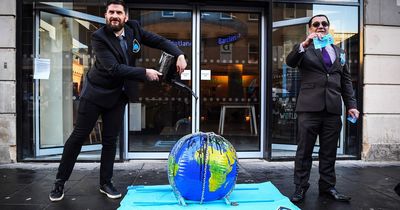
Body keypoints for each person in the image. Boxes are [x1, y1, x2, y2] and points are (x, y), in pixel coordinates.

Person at [49, 0, 187, 202]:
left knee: (110, 141)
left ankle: (106, 182)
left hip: (118, 95)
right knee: (78, 137)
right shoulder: (99, 37)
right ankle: (59, 182)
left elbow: (159, 41)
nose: (114, 15)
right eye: (111, 12)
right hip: (95, 94)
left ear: (126, 17)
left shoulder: (133, 29)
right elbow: (113, 69)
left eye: (118, 12)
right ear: (106, 15)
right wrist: (144, 73)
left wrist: (179, 54)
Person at [286, 14, 359, 203]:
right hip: (309, 109)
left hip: (333, 109)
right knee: (304, 152)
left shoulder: (340, 52)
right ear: (310, 28)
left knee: (329, 152)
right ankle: (300, 188)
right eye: (316, 24)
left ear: (329, 27)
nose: (320, 26)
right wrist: (304, 44)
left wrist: (351, 105)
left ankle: (327, 188)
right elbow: (290, 61)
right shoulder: (305, 49)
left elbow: (346, 81)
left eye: (324, 24)